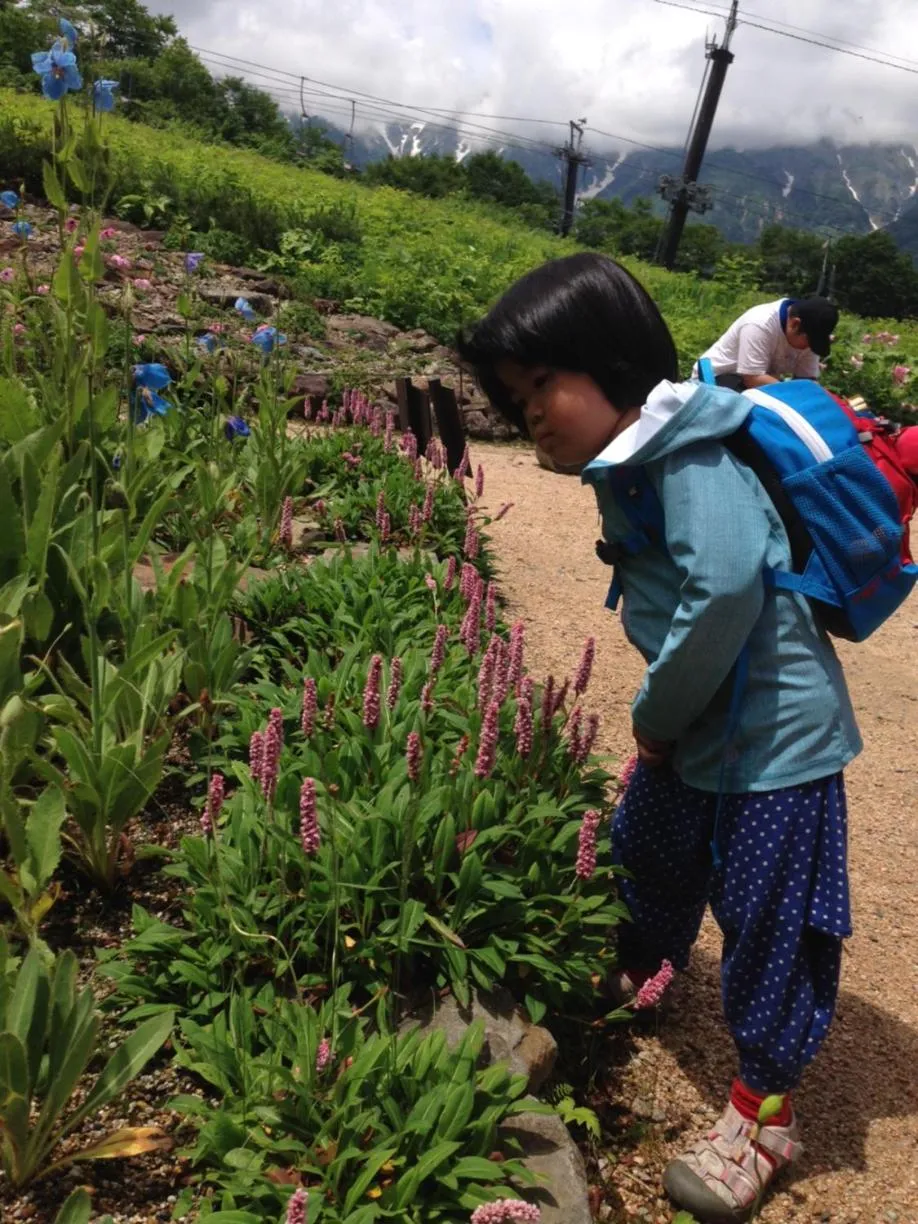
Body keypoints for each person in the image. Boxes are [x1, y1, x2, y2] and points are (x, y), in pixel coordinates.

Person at [458, 253, 862, 1224]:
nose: (533, 417)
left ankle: (764, 1116)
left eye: (542, 387)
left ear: (610, 362)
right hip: (703, 733)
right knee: (650, 847)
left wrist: (651, 717)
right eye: (516, 406)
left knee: (768, 920)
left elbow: (724, 588)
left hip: (775, 742)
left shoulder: (689, 452)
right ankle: (646, 967)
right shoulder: (638, 458)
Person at [695, 296, 839, 390]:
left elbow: (806, 382)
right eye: (809, 341)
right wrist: (797, 392)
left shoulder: (809, 332)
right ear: (795, 324)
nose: (809, 348)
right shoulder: (760, 324)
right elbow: (752, 379)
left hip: (757, 385)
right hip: (717, 380)